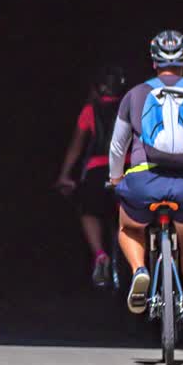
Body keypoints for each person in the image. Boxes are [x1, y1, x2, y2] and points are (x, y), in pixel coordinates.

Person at [108, 30, 183, 329]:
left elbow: (117, 145)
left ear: (153, 61)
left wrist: (115, 178)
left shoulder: (134, 95)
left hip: (143, 182)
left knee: (127, 227)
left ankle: (138, 271)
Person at [55, 66, 128, 287]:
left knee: (88, 210)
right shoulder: (131, 108)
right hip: (128, 170)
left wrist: (65, 176)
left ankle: (100, 255)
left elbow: (76, 146)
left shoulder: (90, 110)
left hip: (98, 171)